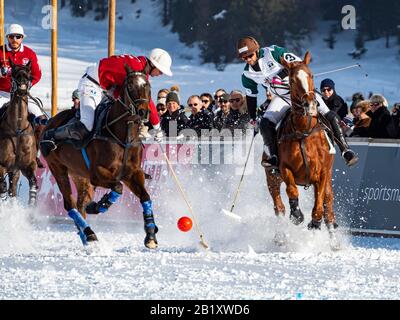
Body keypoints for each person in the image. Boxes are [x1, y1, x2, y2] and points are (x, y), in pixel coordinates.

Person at [237, 36, 358, 171]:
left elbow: (299, 64)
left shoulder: (273, 52)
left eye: (250, 55)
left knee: (328, 114)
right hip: (281, 98)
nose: (248, 60)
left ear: (257, 50)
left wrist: (280, 76)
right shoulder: (247, 74)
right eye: (244, 58)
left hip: (302, 94)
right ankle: (274, 158)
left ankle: (345, 150)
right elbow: (251, 96)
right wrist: (253, 118)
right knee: (265, 123)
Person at [41, 48, 172, 152]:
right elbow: (147, 101)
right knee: (87, 124)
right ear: (153, 64)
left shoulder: (140, 67)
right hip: (92, 84)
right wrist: (157, 127)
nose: (160, 74)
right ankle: (51, 135)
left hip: (105, 89)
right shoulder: (137, 71)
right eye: (160, 71)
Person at [0, 24, 45, 123]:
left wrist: (27, 85)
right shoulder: (0, 51)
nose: (14, 39)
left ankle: (42, 138)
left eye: (18, 36)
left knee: (40, 118)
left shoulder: (29, 53)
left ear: (22, 38)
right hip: (3, 94)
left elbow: (37, 74)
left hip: (23, 94)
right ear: (7, 37)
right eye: (11, 36)